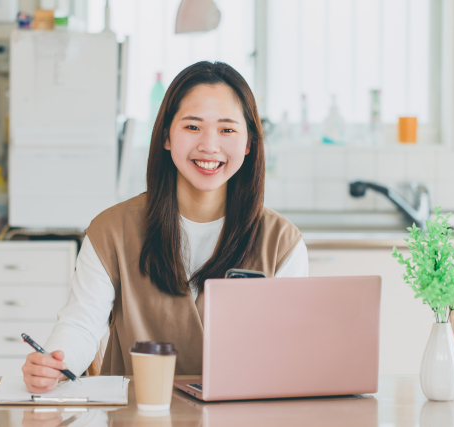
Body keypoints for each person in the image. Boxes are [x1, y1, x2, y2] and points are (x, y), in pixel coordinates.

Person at [21, 61, 309, 393]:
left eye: (227, 129)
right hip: (135, 415)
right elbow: (81, 324)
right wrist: (56, 363)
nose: (209, 145)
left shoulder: (281, 242)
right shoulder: (112, 230)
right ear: (166, 137)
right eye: (192, 127)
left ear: (248, 144)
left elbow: (287, 354)